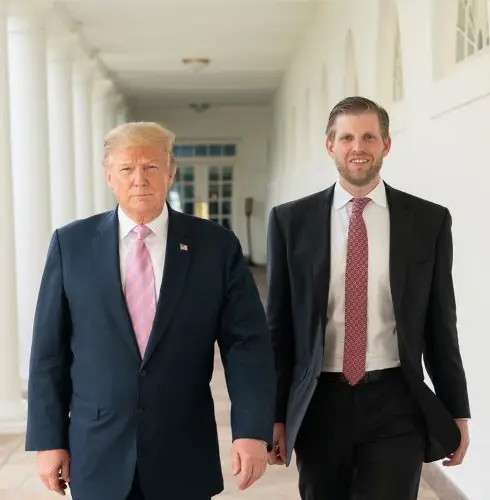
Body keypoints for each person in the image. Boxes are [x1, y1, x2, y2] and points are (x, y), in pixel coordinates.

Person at [26, 122, 275, 500]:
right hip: (97, 450)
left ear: (170, 172)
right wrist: (48, 440)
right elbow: (49, 351)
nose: (139, 179)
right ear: (109, 177)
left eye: (151, 167)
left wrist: (251, 431)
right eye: (127, 168)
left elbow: (247, 345)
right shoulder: (71, 245)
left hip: (183, 447)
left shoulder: (216, 246)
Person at [266, 96, 470, 500]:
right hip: (320, 402)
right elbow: (279, 329)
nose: (357, 147)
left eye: (368, 137)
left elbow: (441, 326)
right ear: (330, 145)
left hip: (396, 399)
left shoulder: (427, 220)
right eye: (346, 138)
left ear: (386, 145)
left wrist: (457, 410)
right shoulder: (291, 222)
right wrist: (273, 414)